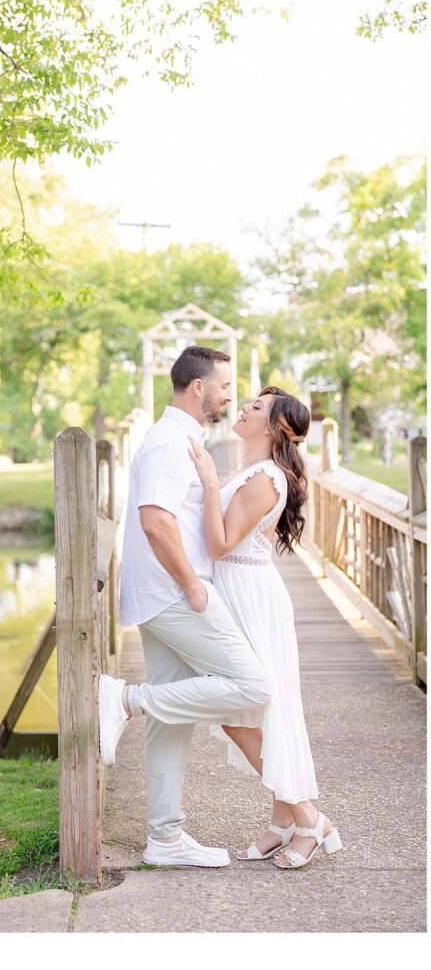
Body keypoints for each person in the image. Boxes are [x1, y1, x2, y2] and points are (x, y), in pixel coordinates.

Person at [99, 346, 270, 869]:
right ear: (198, 387)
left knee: (171, 717)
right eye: (224, 386)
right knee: (252, 685)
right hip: (175, 595)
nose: (229, 396)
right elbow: (155, 521)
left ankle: (165, 838)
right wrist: (193, 586)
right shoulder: (169, 443)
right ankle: (124, 699)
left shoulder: (181, 439)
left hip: (164, 594)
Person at [185, 385, 342, 869]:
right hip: (241, 592)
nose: (245, 408)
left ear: (274, 428)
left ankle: (309, 819)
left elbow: (221, 545)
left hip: (252, 598)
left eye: (256, 407)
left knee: (243, 710)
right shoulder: (255, 470)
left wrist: (210, 484)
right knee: (254, 712)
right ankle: (283, 824)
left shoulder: (266, 478)